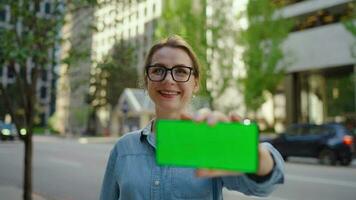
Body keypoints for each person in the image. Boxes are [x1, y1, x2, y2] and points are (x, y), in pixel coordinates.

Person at [100, 35, 284, 200]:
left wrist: (254, 153)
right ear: (147, 79)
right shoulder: (124, 148)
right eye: (158, 70)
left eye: (181, 71)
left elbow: (262, 186)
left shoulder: (209, 140)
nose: (169, 80)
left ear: (195, 83)